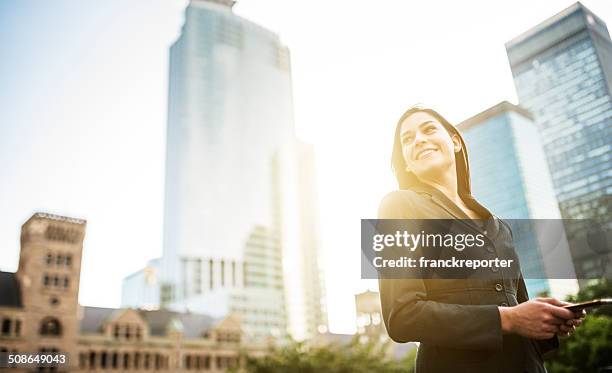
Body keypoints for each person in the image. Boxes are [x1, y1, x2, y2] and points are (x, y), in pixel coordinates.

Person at [377, 105, 585, 373]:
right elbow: (402, 316)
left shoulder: (500, 227)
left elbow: (518, 305)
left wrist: (547, 319)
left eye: (428, 129)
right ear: (406, 161)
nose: (419, 140)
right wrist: (508, 319)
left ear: (455, 142)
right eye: (407, 139)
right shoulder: (399, 205)